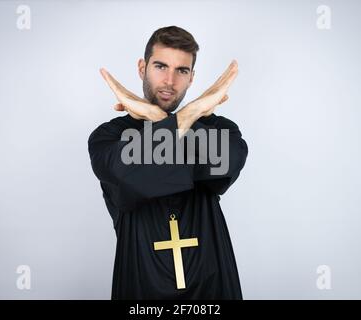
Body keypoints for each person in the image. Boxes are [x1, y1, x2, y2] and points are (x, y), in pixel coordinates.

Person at [88, 26, 248, 299]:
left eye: (182, 71)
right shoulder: (109, 136)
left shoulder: (221, 129)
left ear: (191, 78)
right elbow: (126, 174)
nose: (170, 80)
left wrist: (166, 117)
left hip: (212, 288)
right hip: (141, 288)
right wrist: (189, 113)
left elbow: (229, 161)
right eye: (160, 66)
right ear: (142, 67)